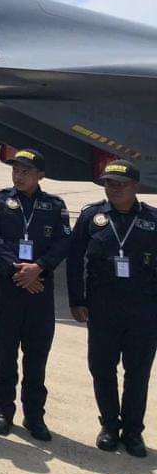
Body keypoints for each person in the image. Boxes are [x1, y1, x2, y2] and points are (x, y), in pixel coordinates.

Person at [69, 159, 157, 458]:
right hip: (103, 309)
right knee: (102, 369)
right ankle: (109, 425)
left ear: (136, 187)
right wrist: (77, 300)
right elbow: (74, 260)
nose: (114, 189)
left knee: (138, 373)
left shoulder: (153, 220)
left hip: (143, 312)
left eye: (121, 184)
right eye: (109, 184)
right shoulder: (92, 217)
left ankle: (133, 432)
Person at [0, 148, 70, 441]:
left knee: (36, 355)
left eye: (26, 171)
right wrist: (18, 269)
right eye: (16, 170)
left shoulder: (54, 206)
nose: (19, 175)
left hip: (40, 289)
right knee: (4, 352)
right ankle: (3, 410)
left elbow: (62, 242)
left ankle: (34, 415)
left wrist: (39, 268)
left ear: (40, 175)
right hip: (9, 286)